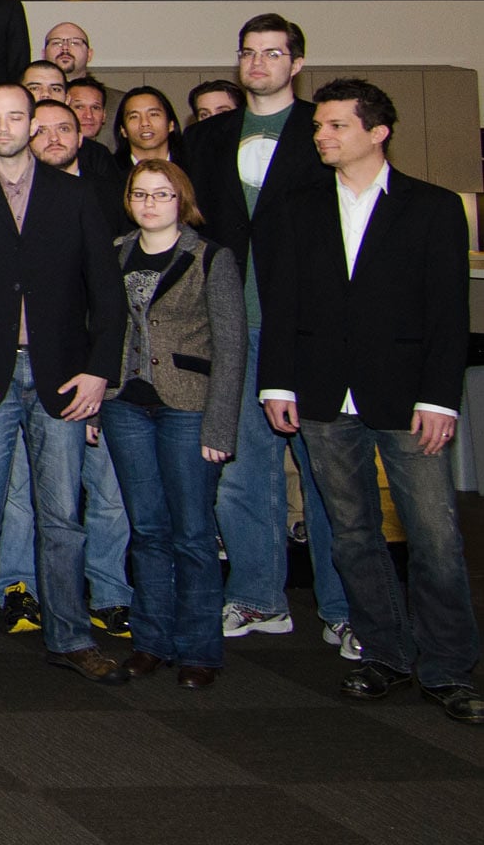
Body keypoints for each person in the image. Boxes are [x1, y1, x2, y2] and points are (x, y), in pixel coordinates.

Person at [260, 80, 479, 721]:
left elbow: (449, 313)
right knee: (352, 535)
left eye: (336, 126)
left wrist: (441, 399)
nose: (322, 136)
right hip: (324, 395)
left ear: (377, 132)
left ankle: (448, 669)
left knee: (435, 539)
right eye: (318, 126)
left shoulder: (433, 207)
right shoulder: (298, 207)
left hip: (409, 399)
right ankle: (386, 654)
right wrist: (277, 383)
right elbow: (282, 301)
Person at [0, 86, 128, 686]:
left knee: (62, 516)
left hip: (62, 376)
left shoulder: (76, 194)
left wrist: (99, 370)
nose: (5, 127)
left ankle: (71, 638)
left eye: (16, 117)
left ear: (33, 124)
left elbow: (107, 292)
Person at [184, 13, 350, 648]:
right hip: (232, 327)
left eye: (273, 53)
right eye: (249, 52)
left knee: (326, 475)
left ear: (297, 63)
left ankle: (343, 607)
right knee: (242, 472)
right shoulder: (208, 137)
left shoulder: (322, 130)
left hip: (310, 329)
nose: (258, 63)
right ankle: (257, 599)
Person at [99, 159, 244, 690]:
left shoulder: (211, 257)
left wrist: (220, 429)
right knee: (147, 531)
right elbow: (98, 328)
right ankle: (151, 643)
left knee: (193, 534)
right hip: (124, 406)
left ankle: (200, 650)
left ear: (181, 200)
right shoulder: (114, 252)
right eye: (141, 194)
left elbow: (232, 346)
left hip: (188, 407)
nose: (150, 204)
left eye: (162, 194)